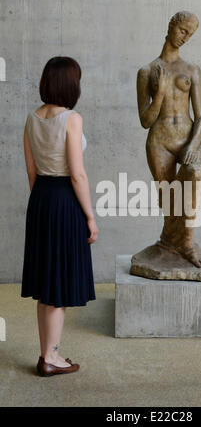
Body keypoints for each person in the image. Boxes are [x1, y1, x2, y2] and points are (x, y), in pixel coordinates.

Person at [21, 56, 98, 377]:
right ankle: (51, 357)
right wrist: (90, 217)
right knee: (59, 285)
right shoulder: (71, 119)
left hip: (40, 199)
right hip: (65, 199)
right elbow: (78, 175)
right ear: (70, 84)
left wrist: (42, 202)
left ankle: (46, 354)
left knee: (45, 284)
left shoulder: (31, 118)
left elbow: (31, 171)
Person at [136, 11, 201, 268]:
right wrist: (160, 94)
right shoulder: (146, 71)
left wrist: (193, 144)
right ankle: (168, 242)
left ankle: (186, 243)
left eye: (190, 34)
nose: (185, 38)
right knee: (168, 198)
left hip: (187, 137)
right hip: (159, 141)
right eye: (182, 31)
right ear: (171, 26)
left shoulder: (192, 70)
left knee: (193, 176)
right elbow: (145, 121)